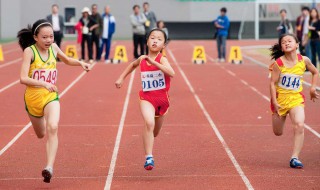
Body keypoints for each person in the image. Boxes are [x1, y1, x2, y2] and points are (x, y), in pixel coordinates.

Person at [17, 19, 91, 183]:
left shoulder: (54, 48)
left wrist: (80, 63)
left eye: (51, 37)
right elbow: (23, 78)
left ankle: (49, 167)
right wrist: (44, 83)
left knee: (53, 126)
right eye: (44, 37)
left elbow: (66, 60)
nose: (49, 40)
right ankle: (42, 118)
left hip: (50, 96)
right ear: (35, 37)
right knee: (41, 133)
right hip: (33, 98)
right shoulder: (30, 52)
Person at [115, 28, 175, 170]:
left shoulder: (163, 59)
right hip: (147, 97)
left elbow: (172, 73)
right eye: (152, 38)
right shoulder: (142, 59)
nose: (155, 41)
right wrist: (121, 78)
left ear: (163, 45)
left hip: (162, 100)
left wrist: (155, 63)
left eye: (159, 39)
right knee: (149, 123)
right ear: (147, 41)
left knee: (155, 133)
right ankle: (149, 157)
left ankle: (149, 141)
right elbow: (132, 65)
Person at [269, 33, 319, 169]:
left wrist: (312, 88)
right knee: (277, 132)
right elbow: (272, 83)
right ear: (281, 47)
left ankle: (295, 157)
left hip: (296, 99)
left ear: (297, 45)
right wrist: (274, 102)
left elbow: (315, 72)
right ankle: (279, 115)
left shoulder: (304, 60)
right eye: (283, 42)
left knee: (299, 124)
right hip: (280, 100)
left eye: (289, 41)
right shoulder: (278, 64)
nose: (286, 43)